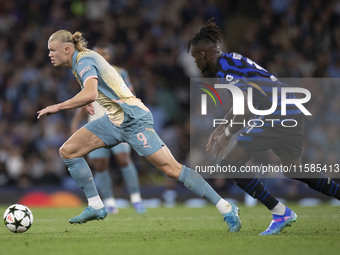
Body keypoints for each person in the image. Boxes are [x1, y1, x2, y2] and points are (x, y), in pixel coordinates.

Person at [37, 29, 241, 231]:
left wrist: (58, 106)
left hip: (133, 119)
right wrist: (93, 100)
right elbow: (95, 90)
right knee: (68, 151)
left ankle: (226, 207)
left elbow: (90, 92)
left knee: (172, 169)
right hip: (113, 121)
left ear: (66, 48)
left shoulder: (83, 61)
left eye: (52, 50)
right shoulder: (77, 63)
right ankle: (96, 206)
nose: (49, 54)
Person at [187, 18, 340, 235]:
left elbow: (247, 104)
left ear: (203, 55)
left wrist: (228, 134)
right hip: (291, 109)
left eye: (195, 58)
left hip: (277, 113)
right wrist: (222, 128)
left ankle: (280, 212)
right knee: (293, 169)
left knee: (230, 164)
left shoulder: (225, 70)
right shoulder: (231, 61)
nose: (195, 63)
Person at [70, 43, 145, 214]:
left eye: (104, 53)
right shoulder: (86, 72)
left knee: (124, 158)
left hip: (118, 122)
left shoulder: (120, 73)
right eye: (98, 53)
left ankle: (136, 199)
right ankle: (110, 202)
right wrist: (75, 122)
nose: (101, 55)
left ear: (110, 56)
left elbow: (129, 95)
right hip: (95, 124)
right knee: (100, 164)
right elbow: (84, 99)